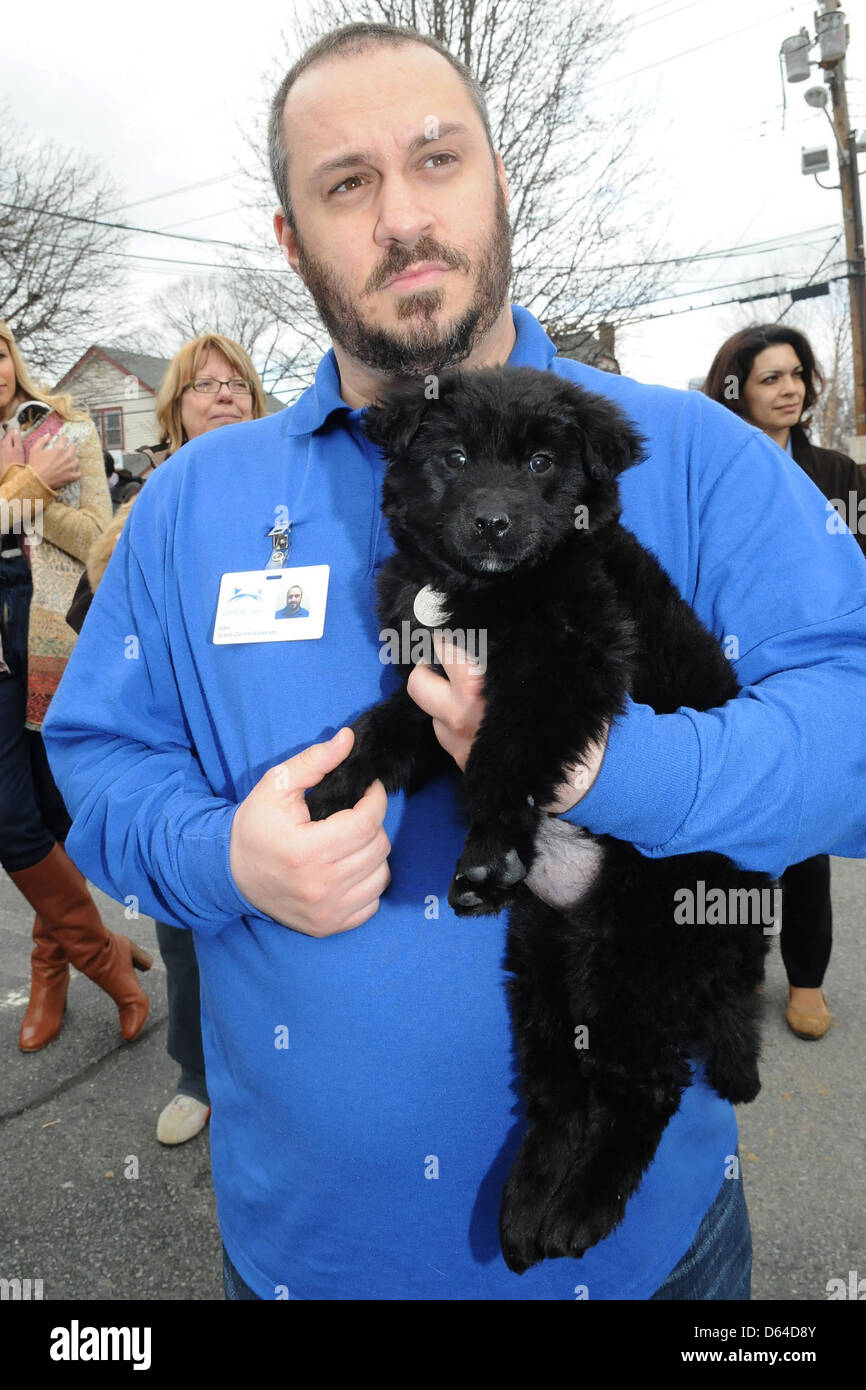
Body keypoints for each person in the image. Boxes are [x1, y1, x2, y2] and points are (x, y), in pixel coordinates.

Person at [43, 24, 866, 1301]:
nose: (403, 216)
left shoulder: (686, 453)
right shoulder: (194, 501)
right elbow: (96, 765)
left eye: (437, 159)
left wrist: (609, 766)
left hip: (651, 1266)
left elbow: (852, 732)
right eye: (347, 182)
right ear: (289, 236)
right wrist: (225, 861)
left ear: (496, 179)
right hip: (304, 1263)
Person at [65, 333, 268, 1146]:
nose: (223, 396)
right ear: (173, 405)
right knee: (189, 927)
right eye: (203, 386)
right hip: (185, 753)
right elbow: (98, 630)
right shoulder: (145, 504)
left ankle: (278, 1076)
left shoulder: (291, 487)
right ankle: (195, 1071)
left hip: (273, 737)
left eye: (237, 385)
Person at [703, 323, 866, 1042]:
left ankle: (807, 980)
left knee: (806, 831)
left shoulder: (837, 475)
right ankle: (734, 971)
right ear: (735, 389)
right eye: (771, 377)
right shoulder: (713, 469)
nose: (790, 388)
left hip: (813, 677)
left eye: (797, 373)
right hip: (726, 673)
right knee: (733, 836)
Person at [0, 319, 153, 1052]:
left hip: (51, 639)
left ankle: (50, 973)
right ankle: (109, 961)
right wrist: (27, 483)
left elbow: (97, 532)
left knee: (53, 816)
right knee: (11, 818)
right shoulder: (35, 457)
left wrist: (29, 496)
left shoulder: (64, 426)